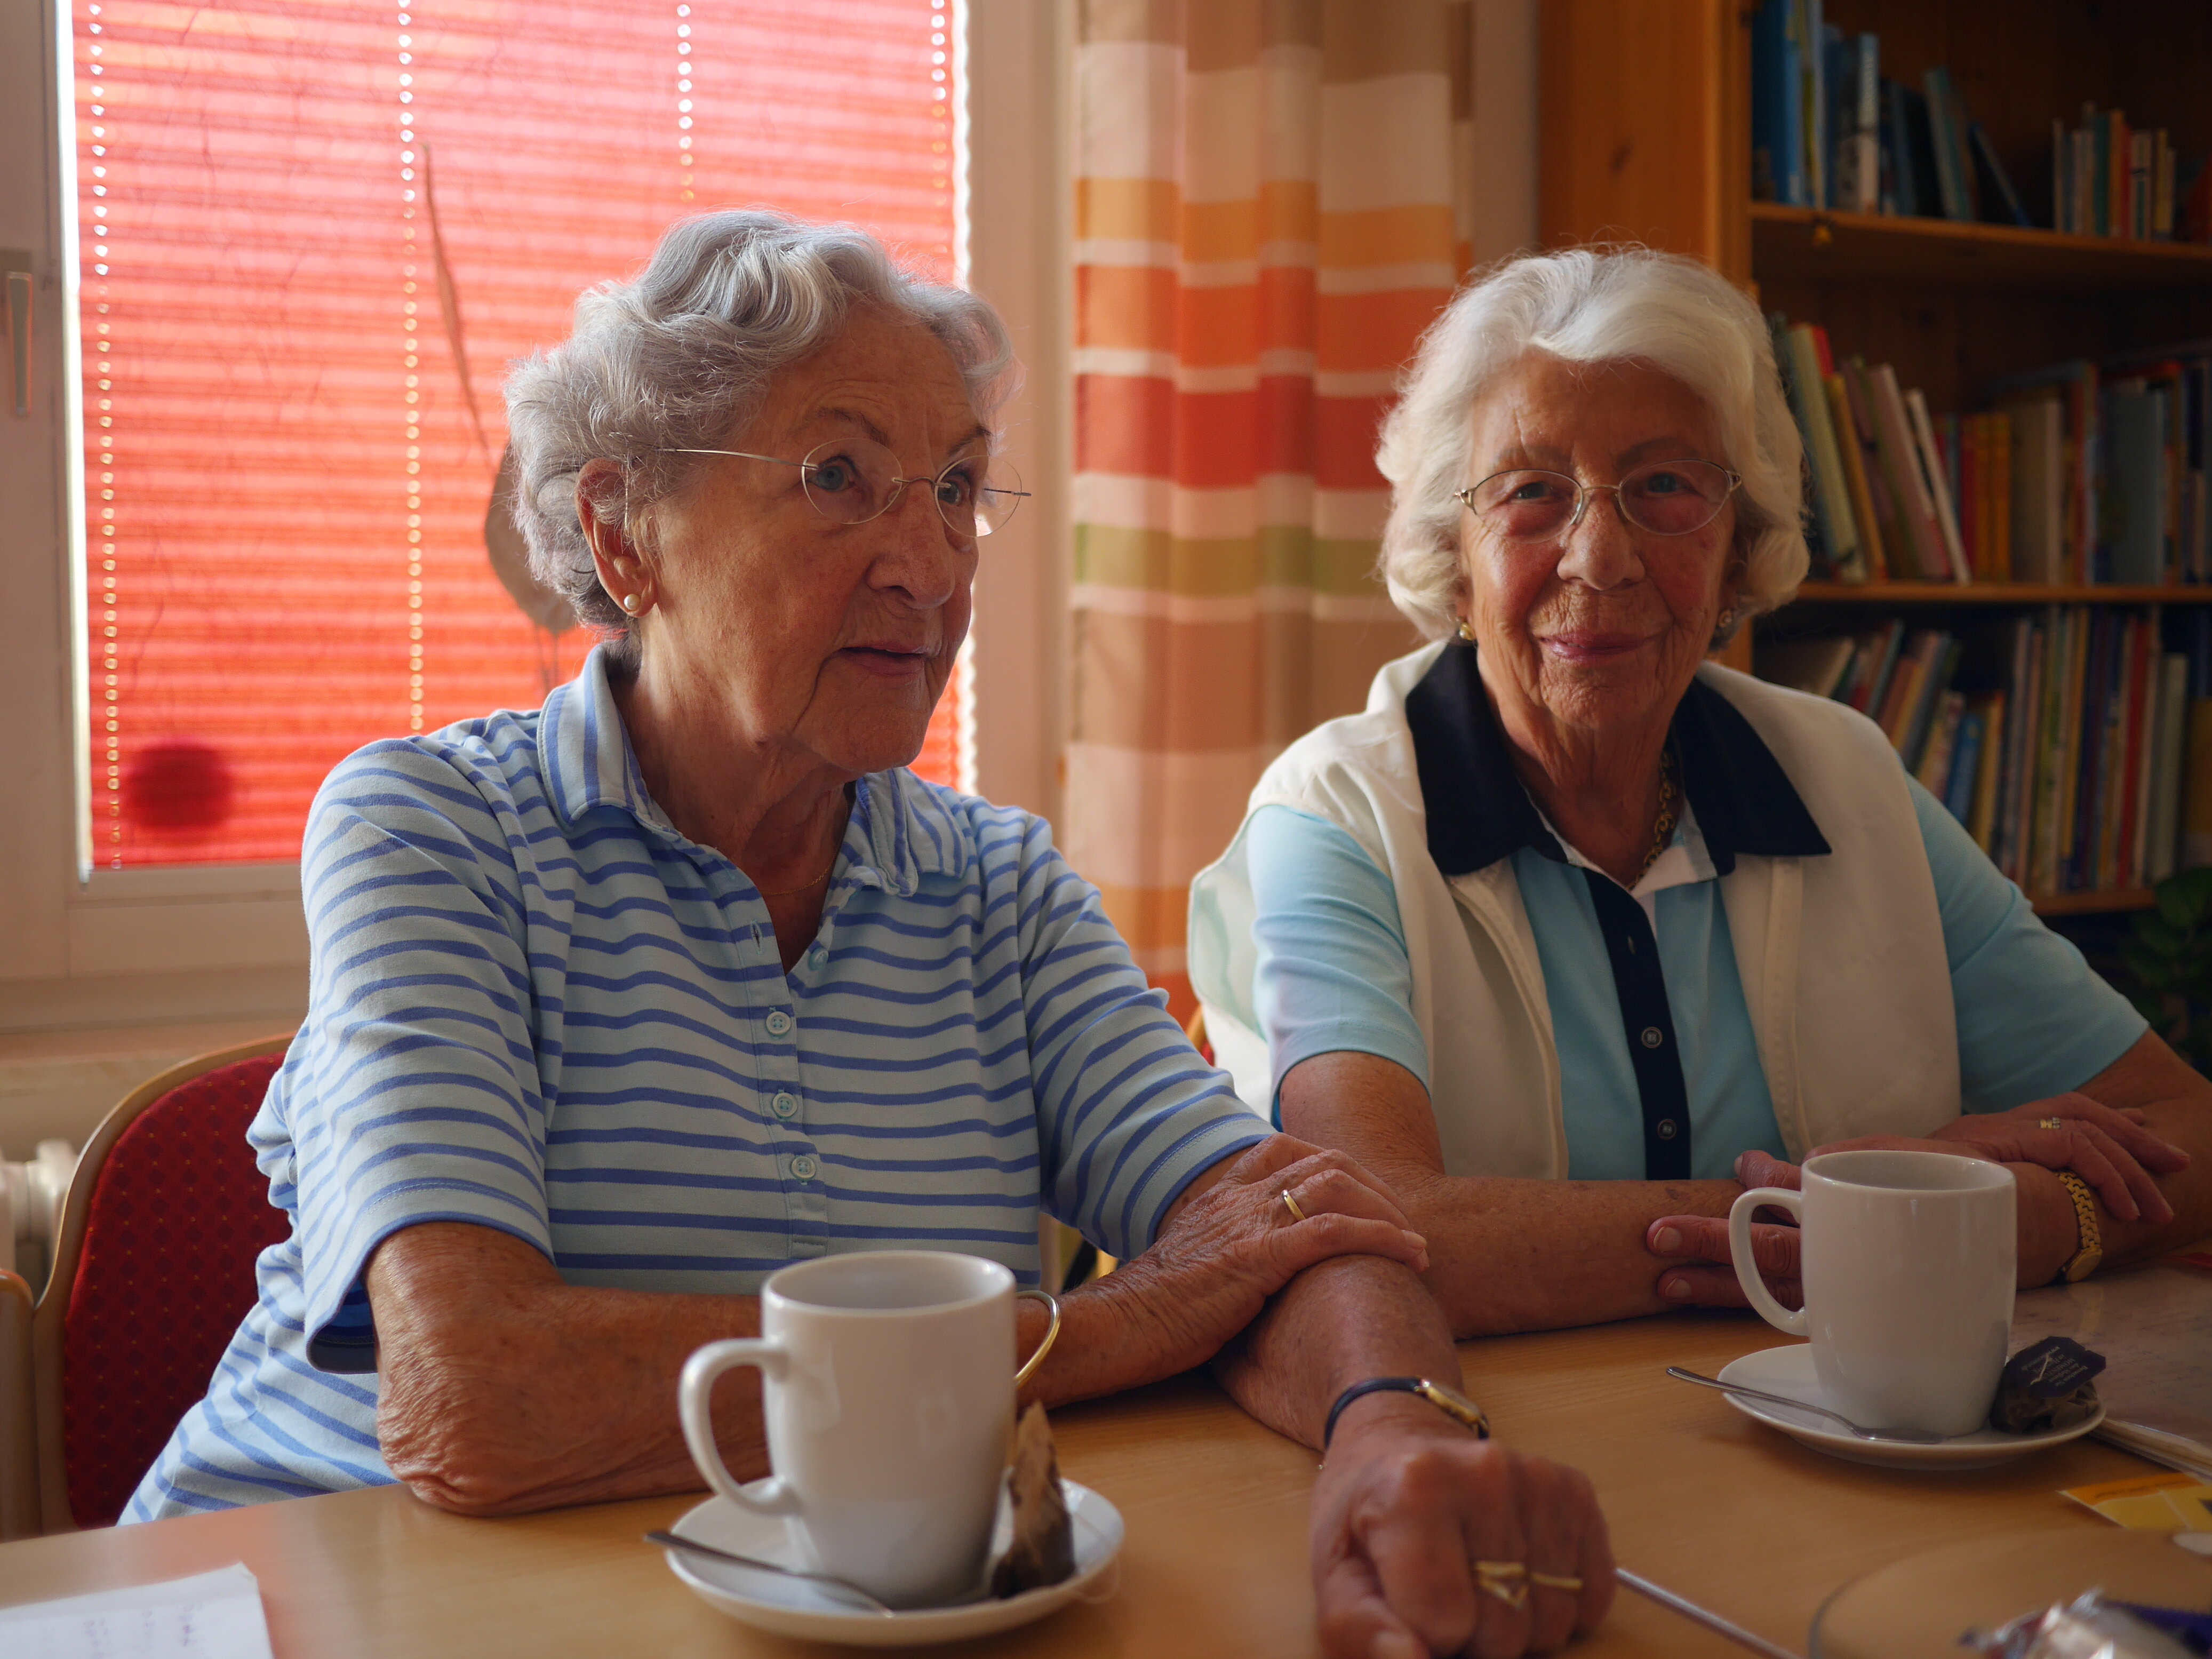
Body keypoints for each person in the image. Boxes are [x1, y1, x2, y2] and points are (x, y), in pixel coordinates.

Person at [130, 212, 1612, 1659]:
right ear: (617, 526)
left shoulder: (996, 884)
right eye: (839, 476)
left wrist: (1391, 1431)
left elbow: (1282, 1225)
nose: (932, 561)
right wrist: (1092, 1330)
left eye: (959, 487)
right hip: (322, 1581)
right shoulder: (432, 829)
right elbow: (480, 1399)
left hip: (802, 1608)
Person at [1190, 246, 2212, 1338]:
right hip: (1507, 1448)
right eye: (1531, 492)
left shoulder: (1843, 780)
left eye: (1665, 487)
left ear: (1739, 549)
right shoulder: (1334, 816)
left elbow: (2186, 1125)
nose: (1600, 556)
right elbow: (1373, 1232)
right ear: (1452, 550)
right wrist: (1863, 1216)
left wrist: (2026, 1222)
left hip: (1860, 1445)